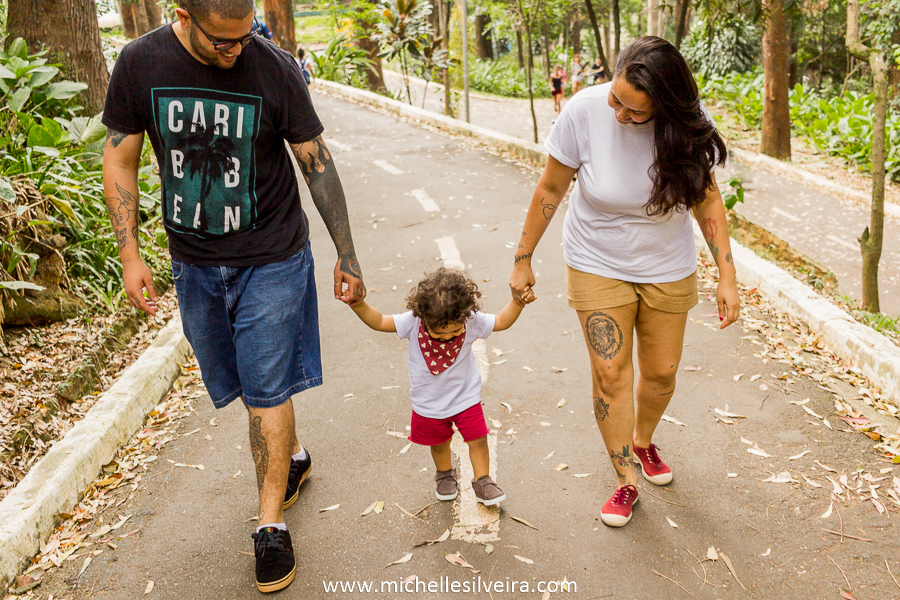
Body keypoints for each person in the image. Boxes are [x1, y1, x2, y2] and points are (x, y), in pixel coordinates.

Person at [101, 0, 365, 592]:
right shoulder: (140, 63)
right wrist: (130, 254)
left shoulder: (272, 66)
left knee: (267, 386)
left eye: (245, 37)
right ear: (183, 15)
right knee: (243, 385)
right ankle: (291, 456)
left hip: (272, 256)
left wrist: (347, 253)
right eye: (223, 40)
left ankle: (269, 526)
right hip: (194, 263)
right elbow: (120, 155)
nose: (236, 50)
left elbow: (317, 165)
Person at [508, 36, 740, 528]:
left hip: (666, 265)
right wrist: (522, 257)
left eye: (634, 111)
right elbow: (551, 187)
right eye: (615, 99)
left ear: (665, 105)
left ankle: (643, 438)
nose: (618, 114)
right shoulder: (583, 111)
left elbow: (707, 200)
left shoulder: (687, 126)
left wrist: (727, 274)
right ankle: (625, 478)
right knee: (611, 374)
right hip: (596, 259)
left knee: (662, 373)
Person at [350, 268, 533, 506]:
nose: (448, 339)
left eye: (455, 332)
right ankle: (445, 474)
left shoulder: (471, 320)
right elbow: (380, 321)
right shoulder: (413, 322)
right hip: (429, 403)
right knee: (438, 444)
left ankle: (483, 480)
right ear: (424, 318)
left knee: (478, 439)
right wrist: (358, 305)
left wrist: (517, 302)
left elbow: (500, 321)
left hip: (465, 398)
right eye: (439, 334)